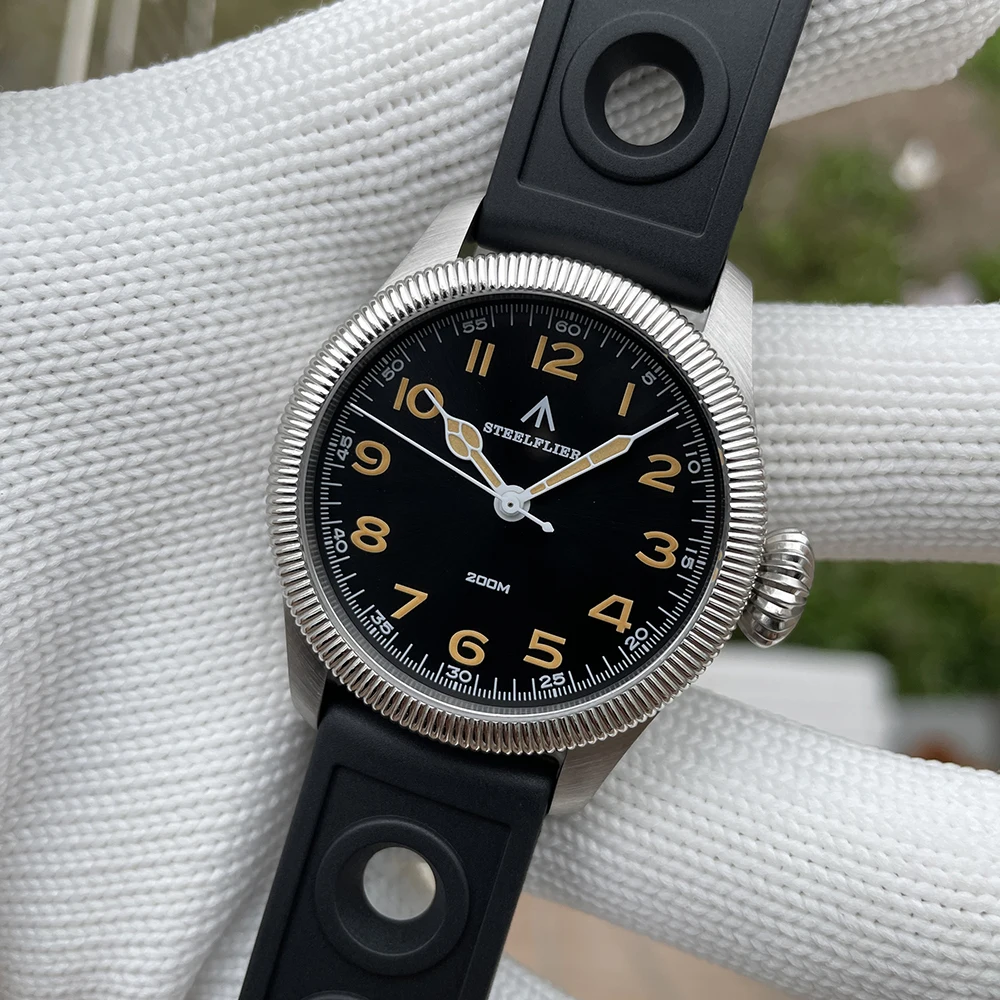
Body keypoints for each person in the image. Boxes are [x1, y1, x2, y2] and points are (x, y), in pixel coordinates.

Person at [1, 1, 998, 997]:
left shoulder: (532, 364)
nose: (510, 502)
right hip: (425, 662)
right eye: (501, 487)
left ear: (754, 581)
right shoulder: (467, 295)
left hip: (471, 678)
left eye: (521, 494)